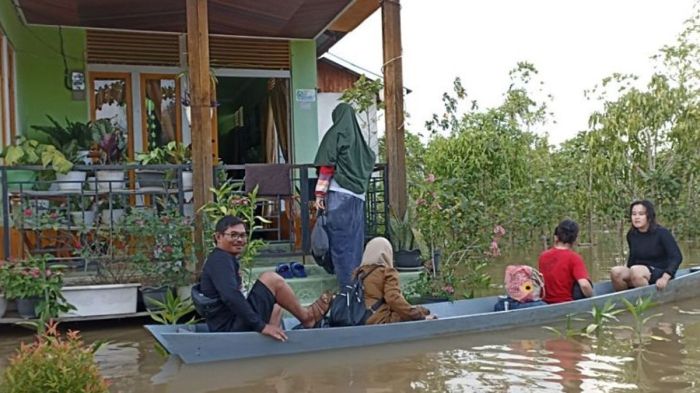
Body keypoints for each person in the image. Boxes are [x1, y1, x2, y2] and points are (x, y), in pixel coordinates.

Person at [198, 215, 331, 340]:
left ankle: (272, 344)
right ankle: (307, 318)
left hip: (232, 322)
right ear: (218, 237)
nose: (239, 240)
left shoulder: (223, 258)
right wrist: (261, 326)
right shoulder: (220, 260)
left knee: (275, 306)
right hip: (228, 330)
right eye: (233, 235)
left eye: (242, 235)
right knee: (271, 279)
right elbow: (231, 296)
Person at [313, 103, 376, 288]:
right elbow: (369, 162)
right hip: (358, 198)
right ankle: (355, 285)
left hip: (339, 197)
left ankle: (346, 290)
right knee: (354, 244)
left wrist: (319, 194)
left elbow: (326, 167)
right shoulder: (361, 144)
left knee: (339, 244)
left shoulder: (336, 134)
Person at [356, 237, 437, 324]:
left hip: (359, 319)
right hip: (380, 320)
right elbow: (393, 298)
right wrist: (419, 316)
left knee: (421, 310)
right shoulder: (386, 272)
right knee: (419, 313)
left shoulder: (358, 273)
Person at [610, 200, 683, 291]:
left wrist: (665, 277)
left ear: (649, 216)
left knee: (636, 271)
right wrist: (628, 275)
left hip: (660, 272)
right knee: (616, 272)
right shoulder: (632, 234)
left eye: (641, 214)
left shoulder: (662, 233)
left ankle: (646, 300)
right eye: (634, 214)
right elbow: (633, 257)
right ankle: (625, 299)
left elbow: (677, 257)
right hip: (637, 271)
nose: (637, 217)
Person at [538, 219, 593, 304]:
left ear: (557, 236)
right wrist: (592, 298)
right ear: (575, 239)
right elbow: (584, 285)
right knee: (587, 283)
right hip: (566, 302)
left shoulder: (543, 256)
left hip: (546, 302)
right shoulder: (574, 258)